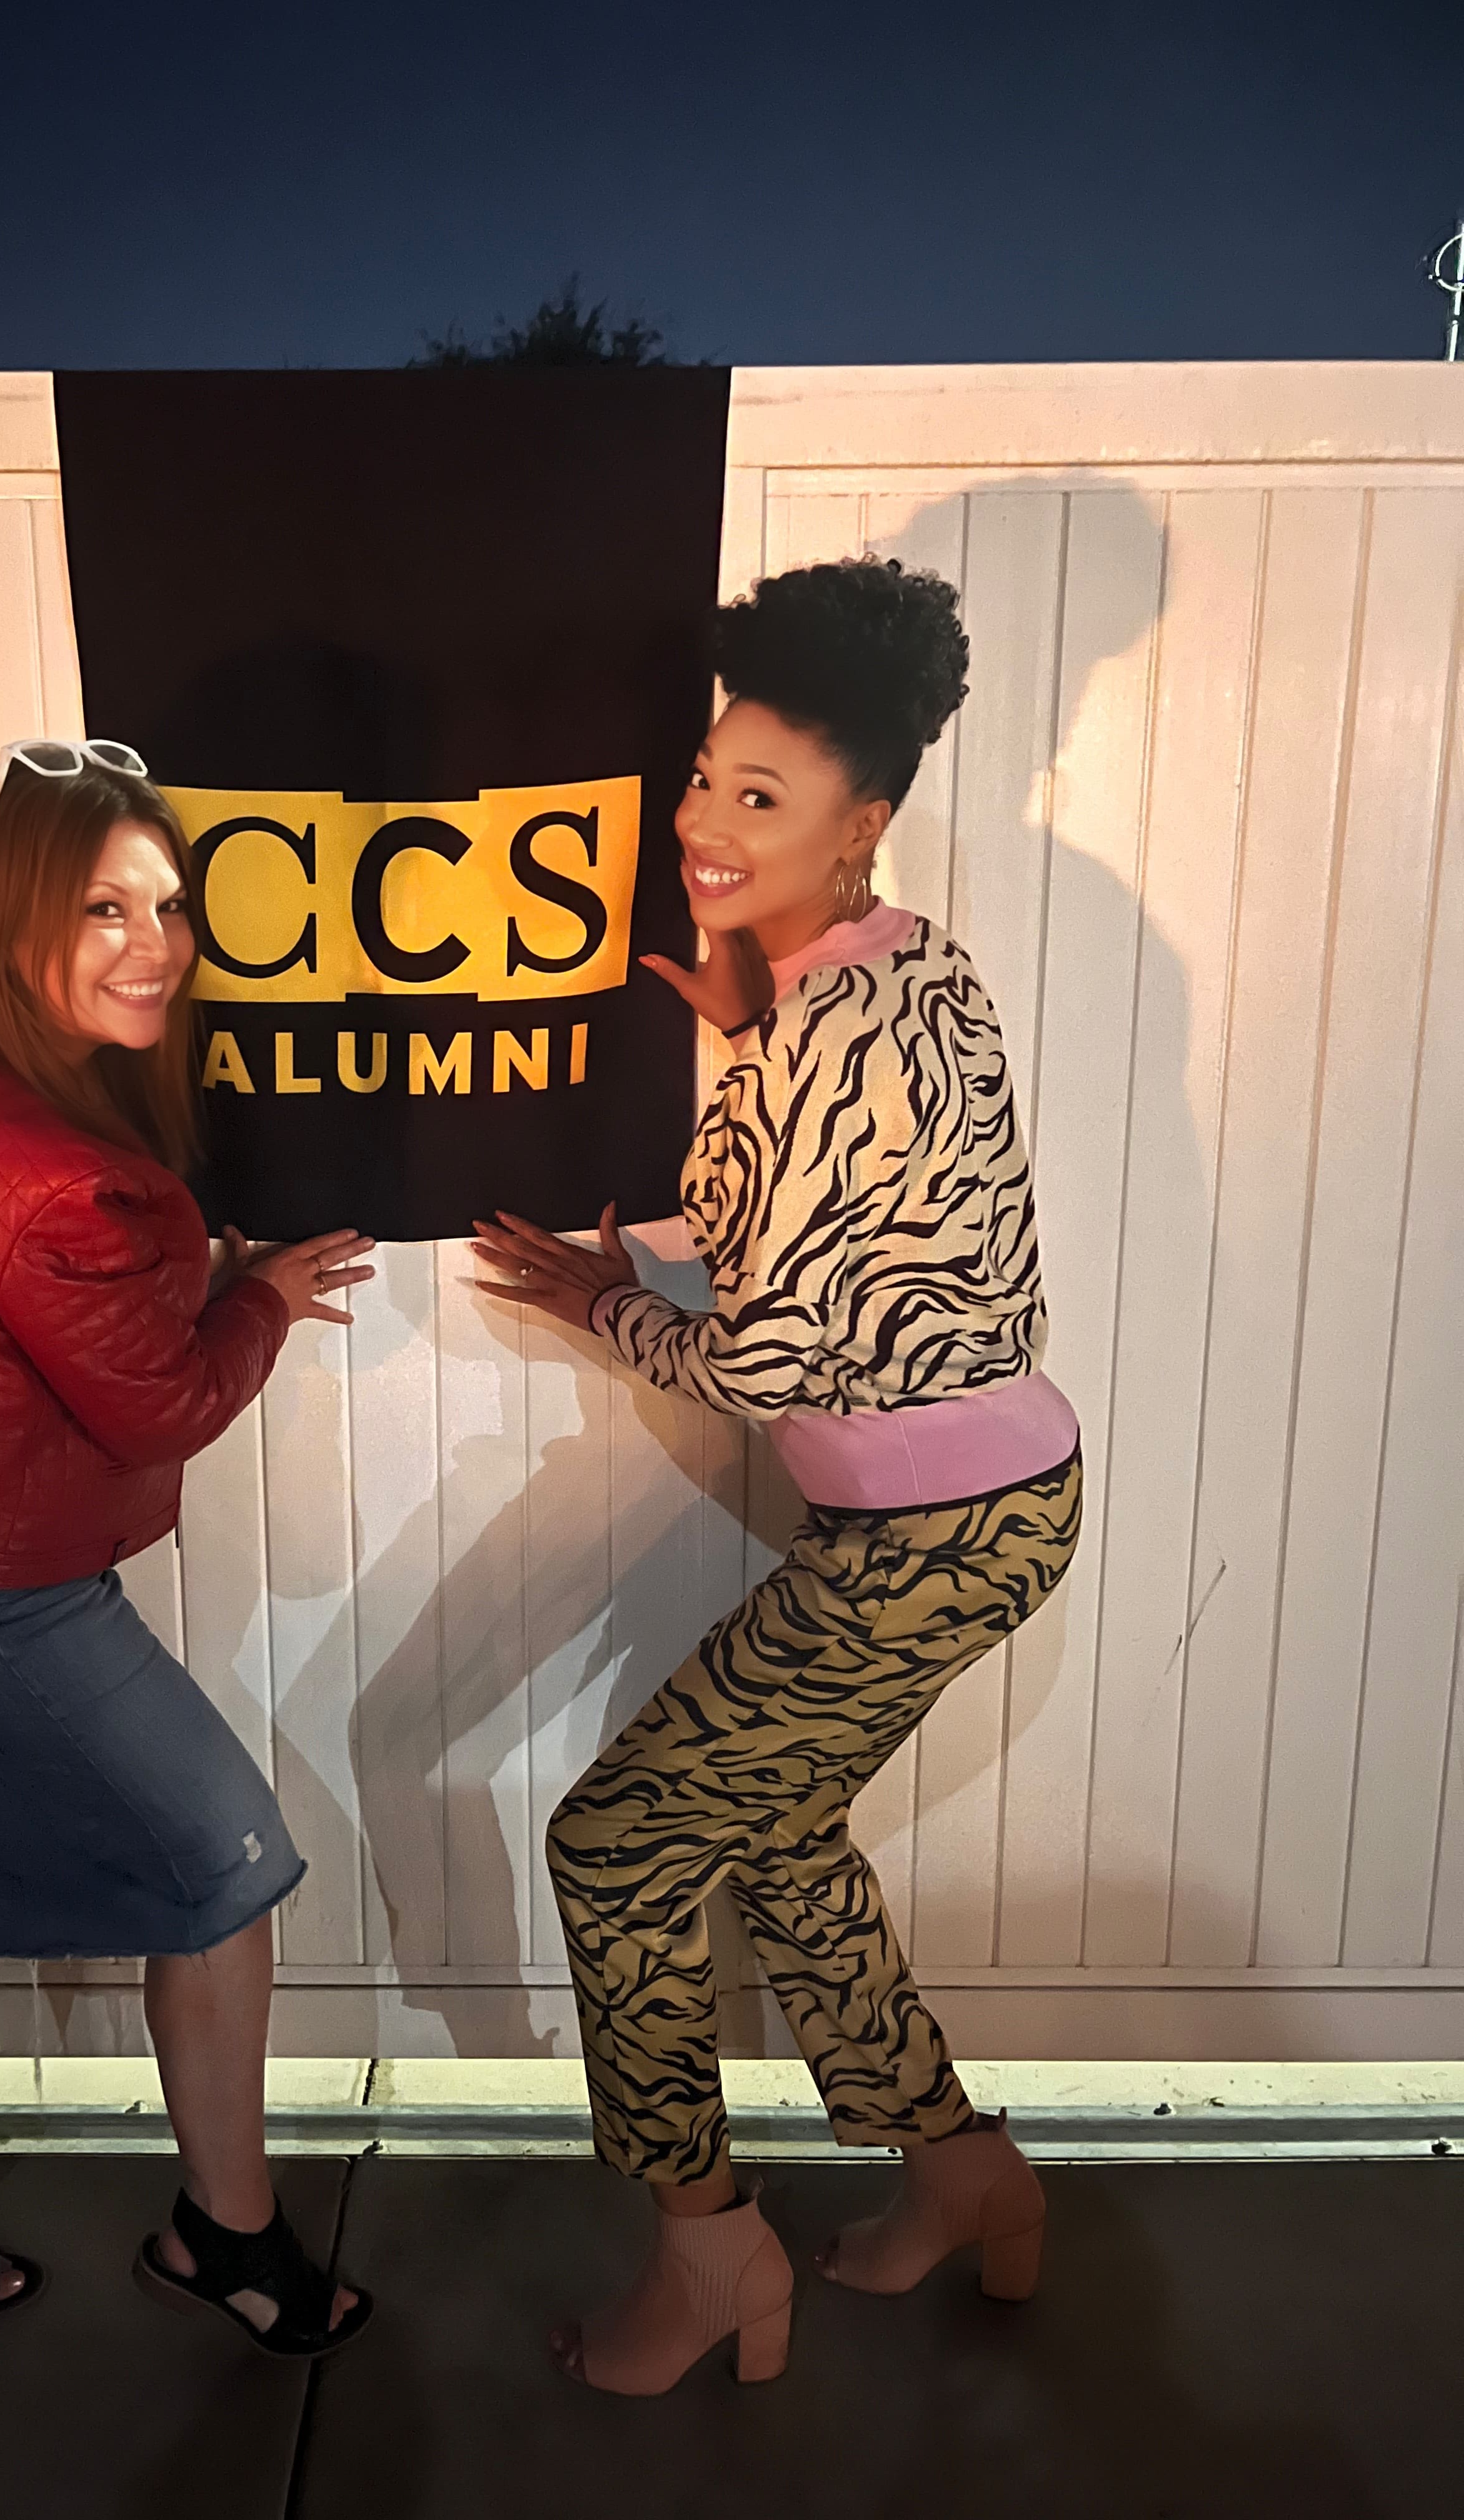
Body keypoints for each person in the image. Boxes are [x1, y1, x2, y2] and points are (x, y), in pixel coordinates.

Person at [473, 560, 1082, 2396]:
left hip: (932, 1530)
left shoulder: (824, 1016)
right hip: (979, 1504)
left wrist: (603, 1305)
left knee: (621, 1845)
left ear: (865, 817)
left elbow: (767, 1352)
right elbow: (801, 1225)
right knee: (777, 1831)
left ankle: (708, 2255)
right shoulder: (894, 962)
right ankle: (964, 2176)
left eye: (762, 797)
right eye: (703, 782)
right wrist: (727, 1052)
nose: (706, 827)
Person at [0, 737, 374, 2351]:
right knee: (227, 1868)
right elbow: (157, 1405)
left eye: (168, 901)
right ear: (10, 907)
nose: (158, 944)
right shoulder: (53, 1186)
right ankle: (226, 2242)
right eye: (102, 907)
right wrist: (256, 1294)